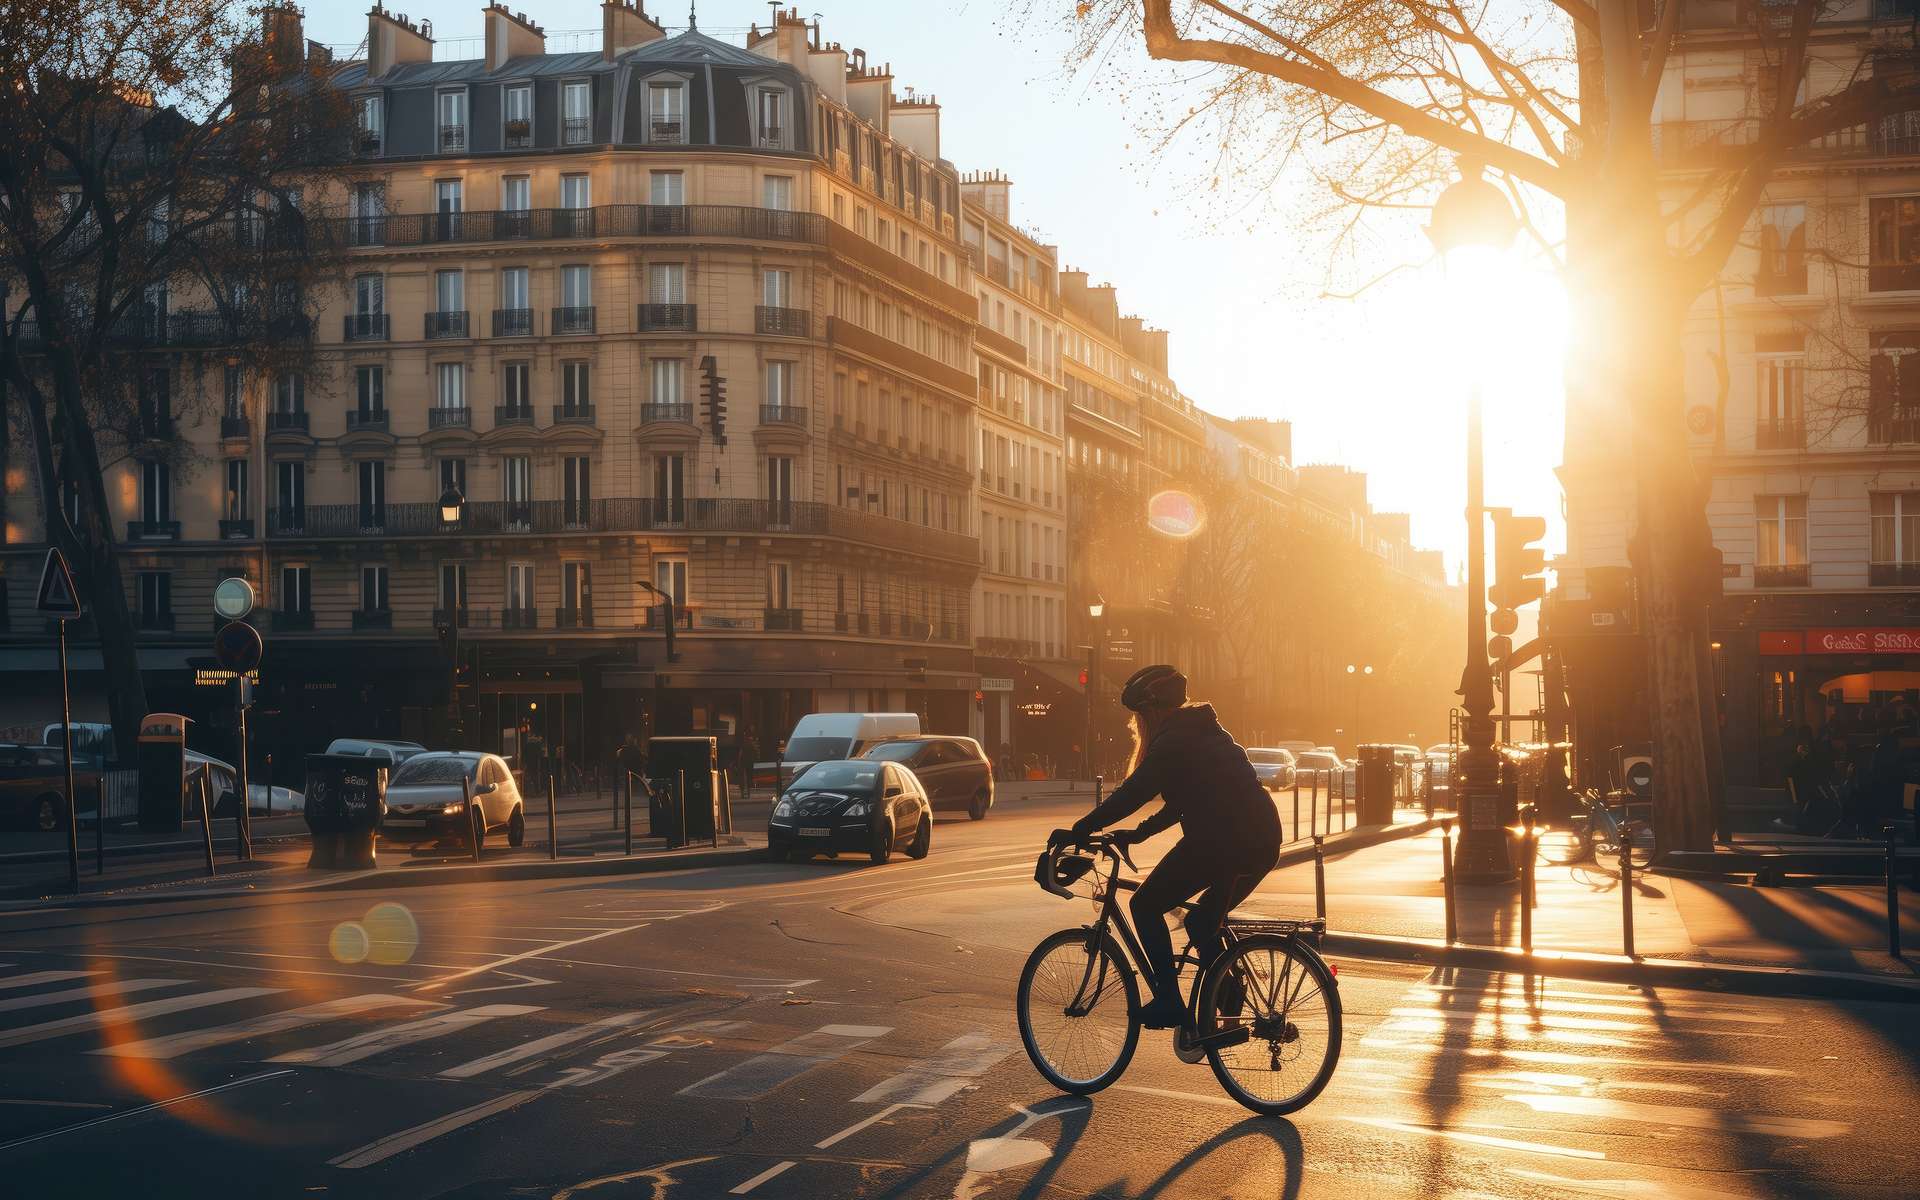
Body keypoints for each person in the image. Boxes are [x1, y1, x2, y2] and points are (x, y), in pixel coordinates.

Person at [1052, 664, 1281, 1031]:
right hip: (1259, 838)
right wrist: (1137, 834)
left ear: (1152, 710)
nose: (1137, 726)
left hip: (1224, 841)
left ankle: (1170, 1002)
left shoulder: (1174, 740)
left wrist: (1081, 829)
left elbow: (1135, 791)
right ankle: (1230, 999)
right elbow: (1183, 802)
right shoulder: (1199, 731)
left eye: (1138, 717)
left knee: (1144, 904)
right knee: (1201, 921)